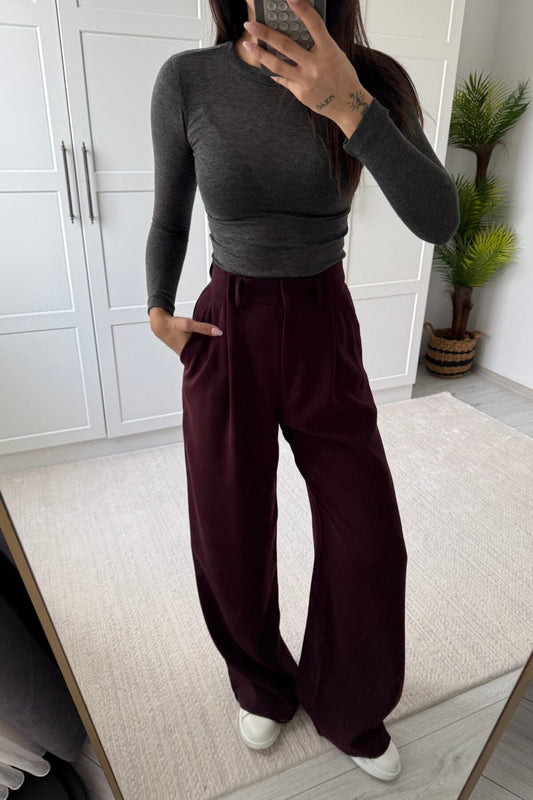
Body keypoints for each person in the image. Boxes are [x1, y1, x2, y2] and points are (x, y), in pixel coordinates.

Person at [145, 0, 460, 784]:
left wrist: (346, 104)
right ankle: (260, 683)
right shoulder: (187, 80)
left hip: (323, 324)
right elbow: (169, 215)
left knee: (368, 535)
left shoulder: (370, 78)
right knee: (229, 528)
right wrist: (158, 310)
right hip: (227, 326)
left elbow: (438, 219)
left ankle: (349, 703)